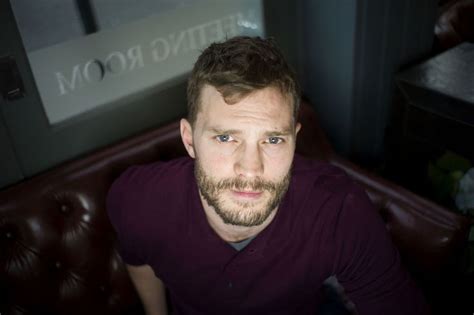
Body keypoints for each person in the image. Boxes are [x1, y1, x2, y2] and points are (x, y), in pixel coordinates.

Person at [107, 36, 429, 315]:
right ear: (190, 140)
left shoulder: (338, 212)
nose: (251, 168)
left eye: (273, 140)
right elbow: (138, 258)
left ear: (294, 138)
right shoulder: (139, 199)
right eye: (225, 137)